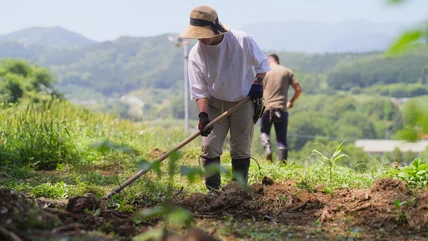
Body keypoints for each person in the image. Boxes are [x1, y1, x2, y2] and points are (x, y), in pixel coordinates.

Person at [179, 5, 270, 190]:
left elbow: (262, 64)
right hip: (213, 103)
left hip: (242, 101)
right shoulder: (196, 54)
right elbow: (199, 89)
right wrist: (203, 115)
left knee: (240, 147)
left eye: (203, 33)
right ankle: (213, 191)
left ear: (215, 29)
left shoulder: (241, 40)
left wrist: (257, 84)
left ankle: (238, 190)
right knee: (209, 146)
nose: (200, 38)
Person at [260, 54, 302, 162]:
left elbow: (258, 89)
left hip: (266, 108)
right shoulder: (287, 71)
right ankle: (282, 164)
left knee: (264, 132)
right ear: (277, 61)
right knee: (281, 139)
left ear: (269, 61)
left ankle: (268, 149)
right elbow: (298, 89)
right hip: (281, 108)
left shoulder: (264, 71)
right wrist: (291, 102)